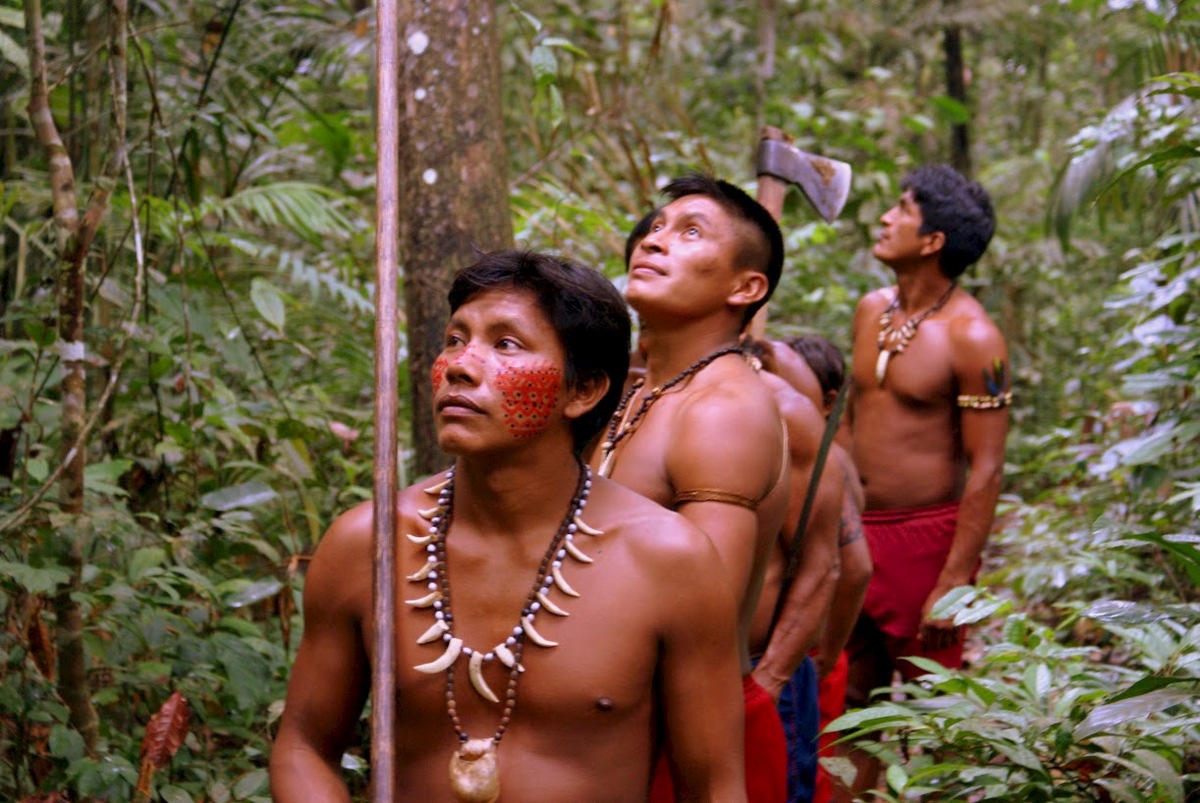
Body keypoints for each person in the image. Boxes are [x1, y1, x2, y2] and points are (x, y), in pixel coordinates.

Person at [270, 250, 748, 802]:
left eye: (505, 344)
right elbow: (303, 746)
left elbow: (713, 787)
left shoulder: (670, 560)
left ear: (583, 390)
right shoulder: (368, 545)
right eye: (454, 339)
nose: (460, 365)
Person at [595, 174, 792, 802]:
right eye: (656, 226)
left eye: (689, 232)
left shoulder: (722, 411)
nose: (654, 241)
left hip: (687, 737)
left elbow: (700, 623)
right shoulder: (641, 392)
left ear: (746, 287)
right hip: (621, 717)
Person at [842, 165, 1009, 797]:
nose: (885, 218)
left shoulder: (975, 338)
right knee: (852, 699)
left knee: (936, 707)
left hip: (926, 542)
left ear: (933, 239)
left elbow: (987, 467)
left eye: (902, 209)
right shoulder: (868, 310)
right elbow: (850, 423)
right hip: (855, 531)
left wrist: (953, 582)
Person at [768, 335, 872, 803]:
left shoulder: (829, 462)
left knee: (811, 768)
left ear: (826, 403)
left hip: (807, 649)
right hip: (803, 646)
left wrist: (826, 651)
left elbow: (854, 568)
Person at [743, 336, 843, 803]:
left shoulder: (787, 413)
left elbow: (835, 565)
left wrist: (772, 679)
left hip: (754, 672)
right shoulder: (636, 396)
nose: (651, 255)